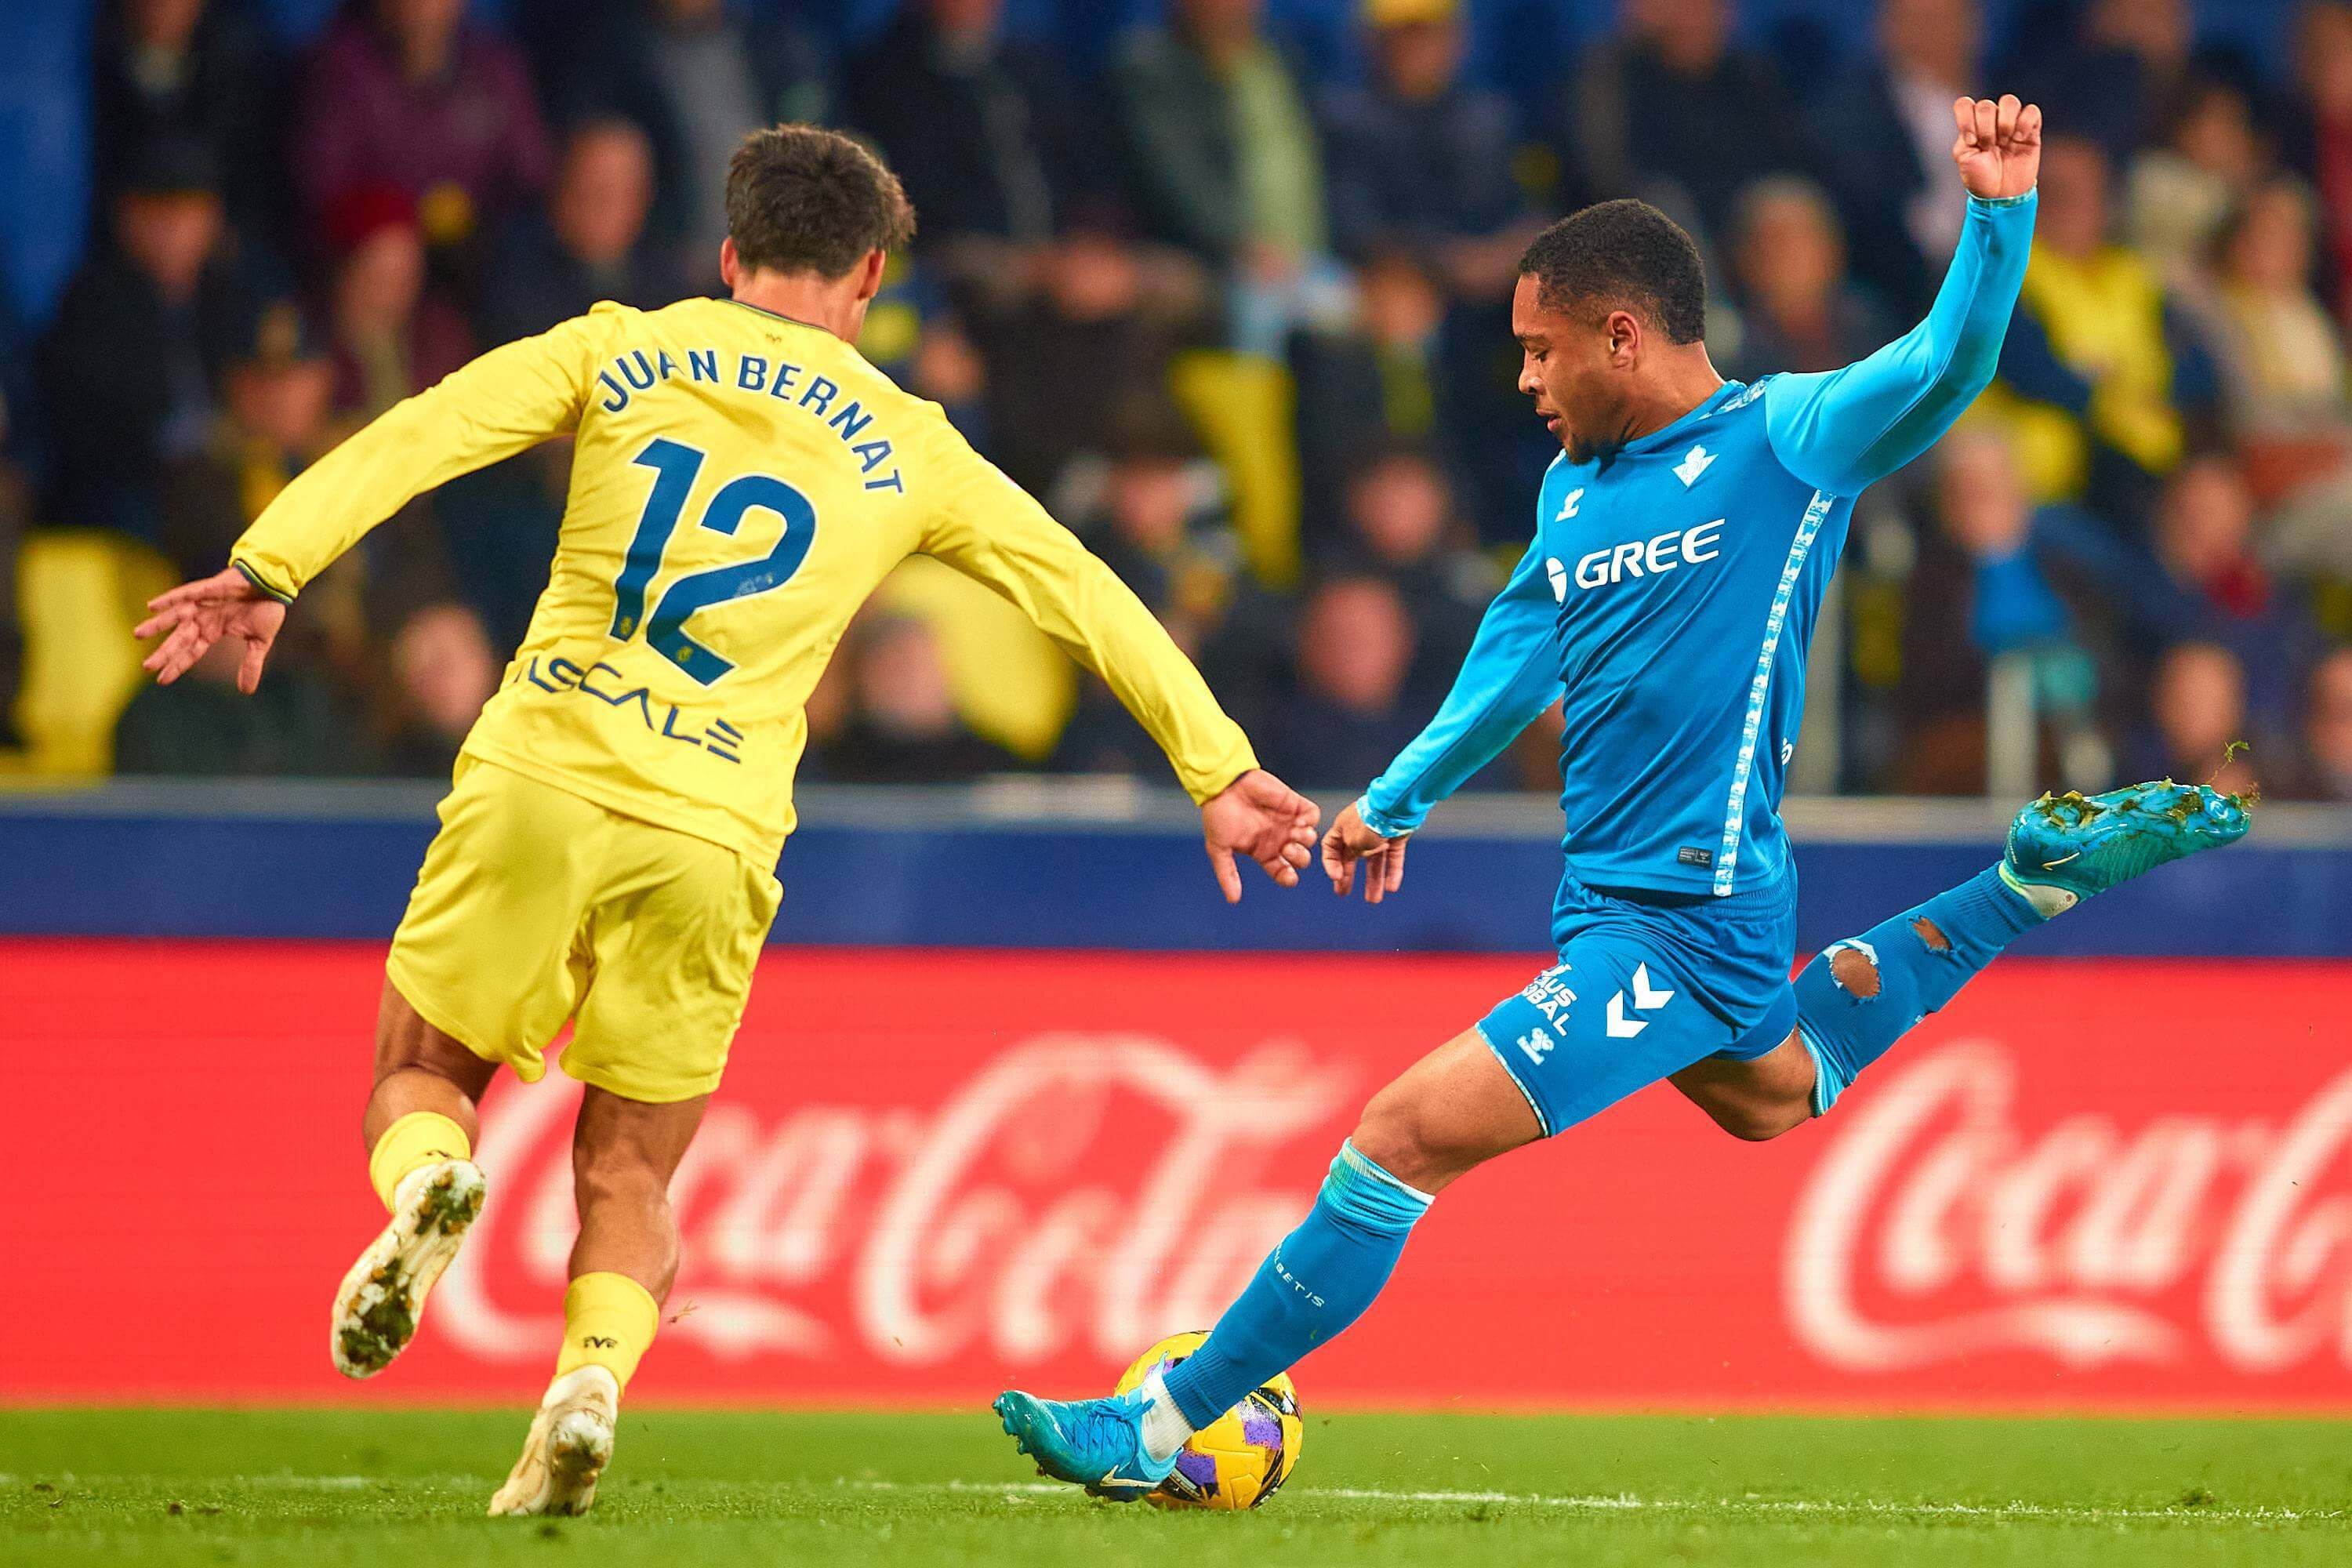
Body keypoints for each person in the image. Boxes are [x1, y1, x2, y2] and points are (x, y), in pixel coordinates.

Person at [995, 96, 2250, 1494]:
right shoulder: (1574, 492)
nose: (1525, 378)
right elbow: (1515, 651)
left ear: (1620, 336)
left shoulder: (1787, 438)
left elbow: (1946, 365)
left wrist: (1998, 218)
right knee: (1771, 1093)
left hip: (1690, 912)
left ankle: (1155, 1426)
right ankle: (2023, 887)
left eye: (1540, 349)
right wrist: (1398, 796)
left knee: (1401, 1137)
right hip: (1609, 901)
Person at [133, 125, 1320, 1516]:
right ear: (869, 274)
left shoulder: (620, 348)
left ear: (728, 251)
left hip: (542, 773)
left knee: (422, 1070)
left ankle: (432, 1185)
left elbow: (426, 429)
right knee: (631, 1164)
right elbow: (1083, 592)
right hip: (714, 827)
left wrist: (272, 560)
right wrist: (1216, 766)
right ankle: (589, 1381)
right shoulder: (912, 443)